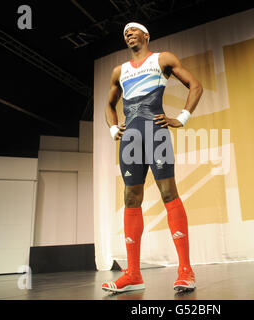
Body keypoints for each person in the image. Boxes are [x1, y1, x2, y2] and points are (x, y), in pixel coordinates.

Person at [102, 22, 203, 293]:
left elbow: (195, 85)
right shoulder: (118, 71)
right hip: (130, 140)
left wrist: (181, 118)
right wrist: (114, 128)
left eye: (133, 30)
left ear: (146, 35)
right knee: (130, 198)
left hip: (156, 134)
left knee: (168, 192)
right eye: (125, 33)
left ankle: (185, 270)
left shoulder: (163, 59)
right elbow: (109, 105)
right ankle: (133, 274)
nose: (128, 34)